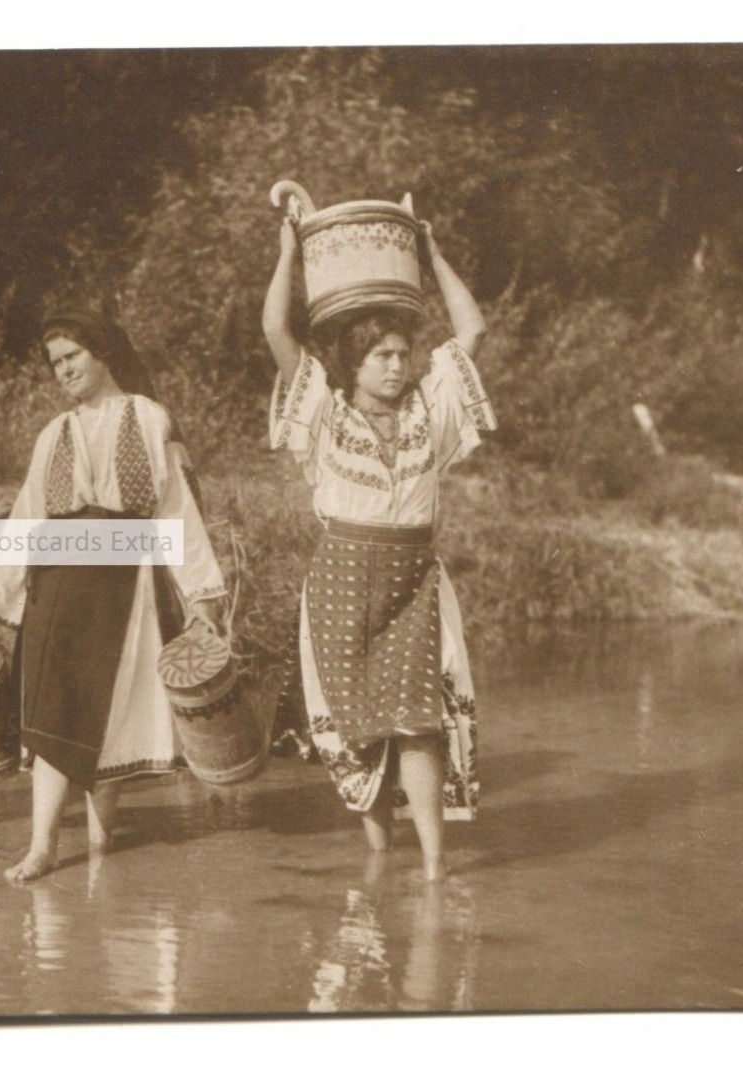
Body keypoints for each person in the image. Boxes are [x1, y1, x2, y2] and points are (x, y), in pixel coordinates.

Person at [262, 217, 492, 881]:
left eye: (401, 354)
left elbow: (470, 332)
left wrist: (433, 254)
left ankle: (430, 866)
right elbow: (277, 330)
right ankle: (376, 861)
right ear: (353, 364)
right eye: (381, 357)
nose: (397, 367)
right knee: (357, 728)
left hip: (412, 575)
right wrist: (287, 253)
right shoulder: (327, 415)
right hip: (339, 577)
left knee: (418, 719)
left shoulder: (429, 410)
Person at [0, 308, 228, 882]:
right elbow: (24, 521)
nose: (64, 370)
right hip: (59, 581)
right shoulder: (53, 434)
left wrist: (202, 598)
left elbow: (178, 511)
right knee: (52, 709)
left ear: (103, 352)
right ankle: (42, 845)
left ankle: (99, 841)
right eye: (55, 363)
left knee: (109, 710)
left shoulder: (149, 418)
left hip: (124, 581)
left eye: (73, 357)